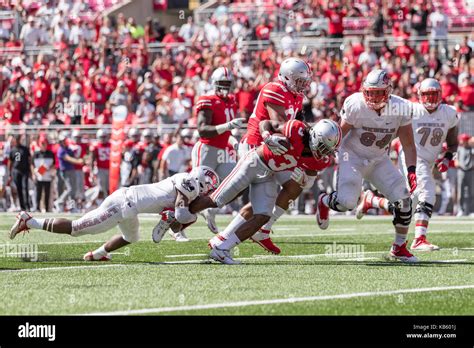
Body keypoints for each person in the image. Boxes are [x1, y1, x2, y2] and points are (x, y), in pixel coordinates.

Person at [181, 119, 341, 264]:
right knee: (216, 200)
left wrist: (305, 180)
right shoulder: (296, 129)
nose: (324, 153)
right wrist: (267, 135)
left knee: (263, 216)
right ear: (314, 136)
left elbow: (310, 176)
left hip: (268, 173)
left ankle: (222, 249)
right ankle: (178, 212)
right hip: (254, 162)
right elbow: (266, 122)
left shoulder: (320, 160)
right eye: (322, 147)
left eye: (327, 150)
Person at [316, 69, 419, 263]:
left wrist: (412, 171)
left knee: (405, 201)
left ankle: (399, 247)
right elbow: (340, 133)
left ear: (389, 91)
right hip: (352, 156)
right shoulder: (355, 104)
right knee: (346, 203)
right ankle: (324, 201)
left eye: (379, 92)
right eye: (370, 92)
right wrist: (329, 154)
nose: (373, 97)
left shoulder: (401, 107)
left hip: (379, 159)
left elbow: (408, 144)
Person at [9, 167, 219, 261]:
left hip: (130, 205)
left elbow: (177, 220)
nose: (208, 192)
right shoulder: (188, 183)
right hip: (122, 204)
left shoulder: (187, 184)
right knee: (76, 229)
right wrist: (193, 215)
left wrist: (175, 222)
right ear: (201, 181)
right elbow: (182, 214)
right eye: (209, 187)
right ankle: (30, 220)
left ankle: (98, 254)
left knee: (132, 237)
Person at [356, 78, 459, 251]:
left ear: (441, 94)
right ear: (419, 95)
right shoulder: (411, 109)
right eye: (427, 95)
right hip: (413, 158)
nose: (431, 99)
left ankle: (372, 200)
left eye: (434, 95)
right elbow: (389, 126)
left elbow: (453, 143)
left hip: (429, 161)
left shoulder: (449, 113)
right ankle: (419, 239)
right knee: (427, 192)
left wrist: (448, 158)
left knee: (408, 206)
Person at [192, 67, 245, 233]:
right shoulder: (207, 99)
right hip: (206, 149)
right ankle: (174, 224)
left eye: (227, 83)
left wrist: (235, 143)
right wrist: (228, 126)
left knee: (236, 183)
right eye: (222, 83)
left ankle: (212, 209)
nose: (225, 86)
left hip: (223, 150)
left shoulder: (231, 100)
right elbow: (202, 129)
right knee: (194, 190)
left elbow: (226, 133)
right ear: (214, 83)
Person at [32, 137, 55, 212]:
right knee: (38, 193)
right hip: (38, 176)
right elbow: (32, 164)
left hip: (48, 176)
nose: (43, 145)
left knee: (47, 193)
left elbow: (54, 164)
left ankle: (47, 208)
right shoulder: (36, 153)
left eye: (44, 143)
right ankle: (37, 208)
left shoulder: (50, 153)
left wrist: (48, 169)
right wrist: (34, 173)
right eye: (42, 143)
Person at [8, 135, 31, 211]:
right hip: (16, 171)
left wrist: (30, 171)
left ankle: (27, 205)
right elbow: (10, 162)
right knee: (19, 189)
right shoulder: (13, 150)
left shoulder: (25, 149)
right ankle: (22, 207)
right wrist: (10, 173)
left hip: (24, 171)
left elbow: (29, 160)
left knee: (25, 187)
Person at [457, 133, 474, 216]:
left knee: (471, 192)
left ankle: (471, 211)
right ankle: (460, 210)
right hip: (461, 171)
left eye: (463, 140)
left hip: (470, 171)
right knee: (460, 192)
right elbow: (456, 160)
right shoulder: (459, 149)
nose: (461, 141)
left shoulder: (472, 148)